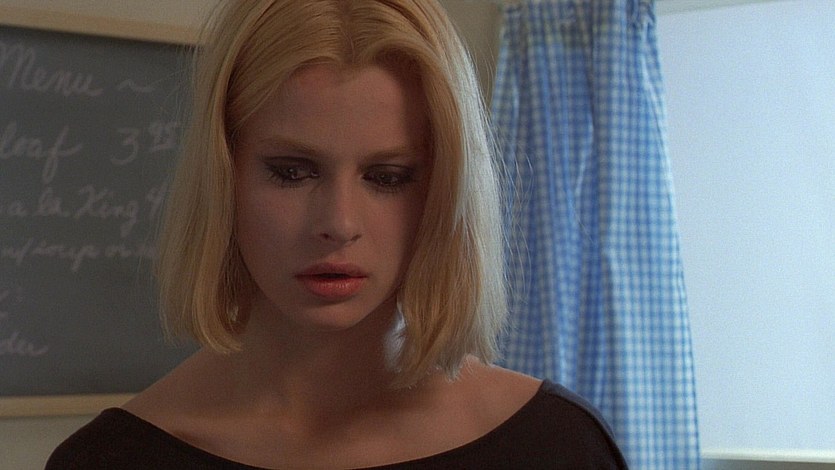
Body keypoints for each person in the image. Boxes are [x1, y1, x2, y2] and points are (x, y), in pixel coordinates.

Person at [47, 1, 628, 468]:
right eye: (292, 173)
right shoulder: (111, 459)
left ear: (443, 193)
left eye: (387, 177)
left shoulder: (555, 446)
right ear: (224, 178)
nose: (339, 224)